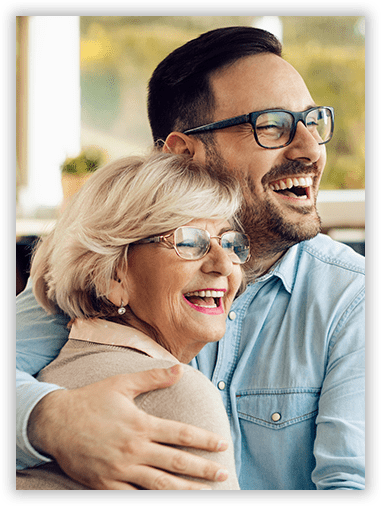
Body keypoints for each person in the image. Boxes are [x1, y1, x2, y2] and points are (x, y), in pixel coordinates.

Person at [16, 27, 364, 490]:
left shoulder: (350, 297)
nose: (310, 150)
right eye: (272, 126)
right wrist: (52, 420)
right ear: (182, 154)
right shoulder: (108, 268)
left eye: (312, 121)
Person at [17, 152, 249, 489]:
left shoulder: (48, 372)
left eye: (230, 243)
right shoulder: (179, 392)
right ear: (114, 277)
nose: (224, 265)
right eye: (188, 241)